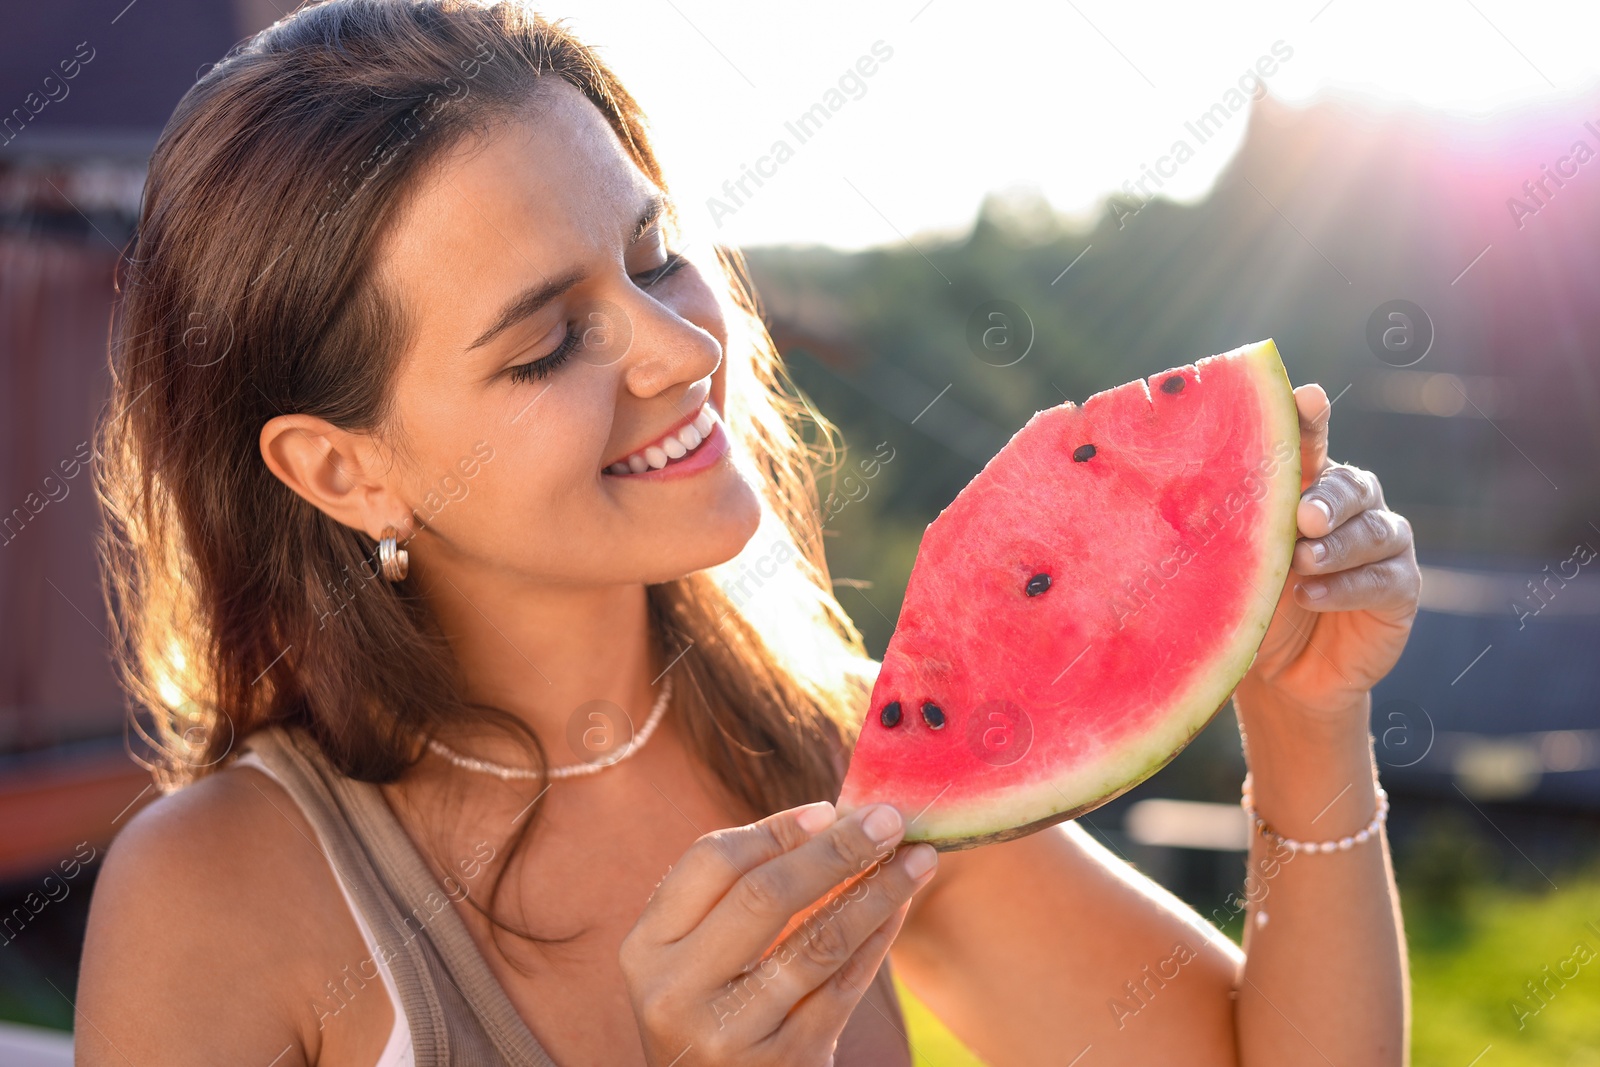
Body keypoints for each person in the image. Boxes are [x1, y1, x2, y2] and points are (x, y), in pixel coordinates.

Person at [76, 2, 1418, 1064]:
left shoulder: (844, 760)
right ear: (343, 470)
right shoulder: (215, 897)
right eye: (549, 343)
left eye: (654, 253)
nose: (678, 349)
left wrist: (1309, 720)